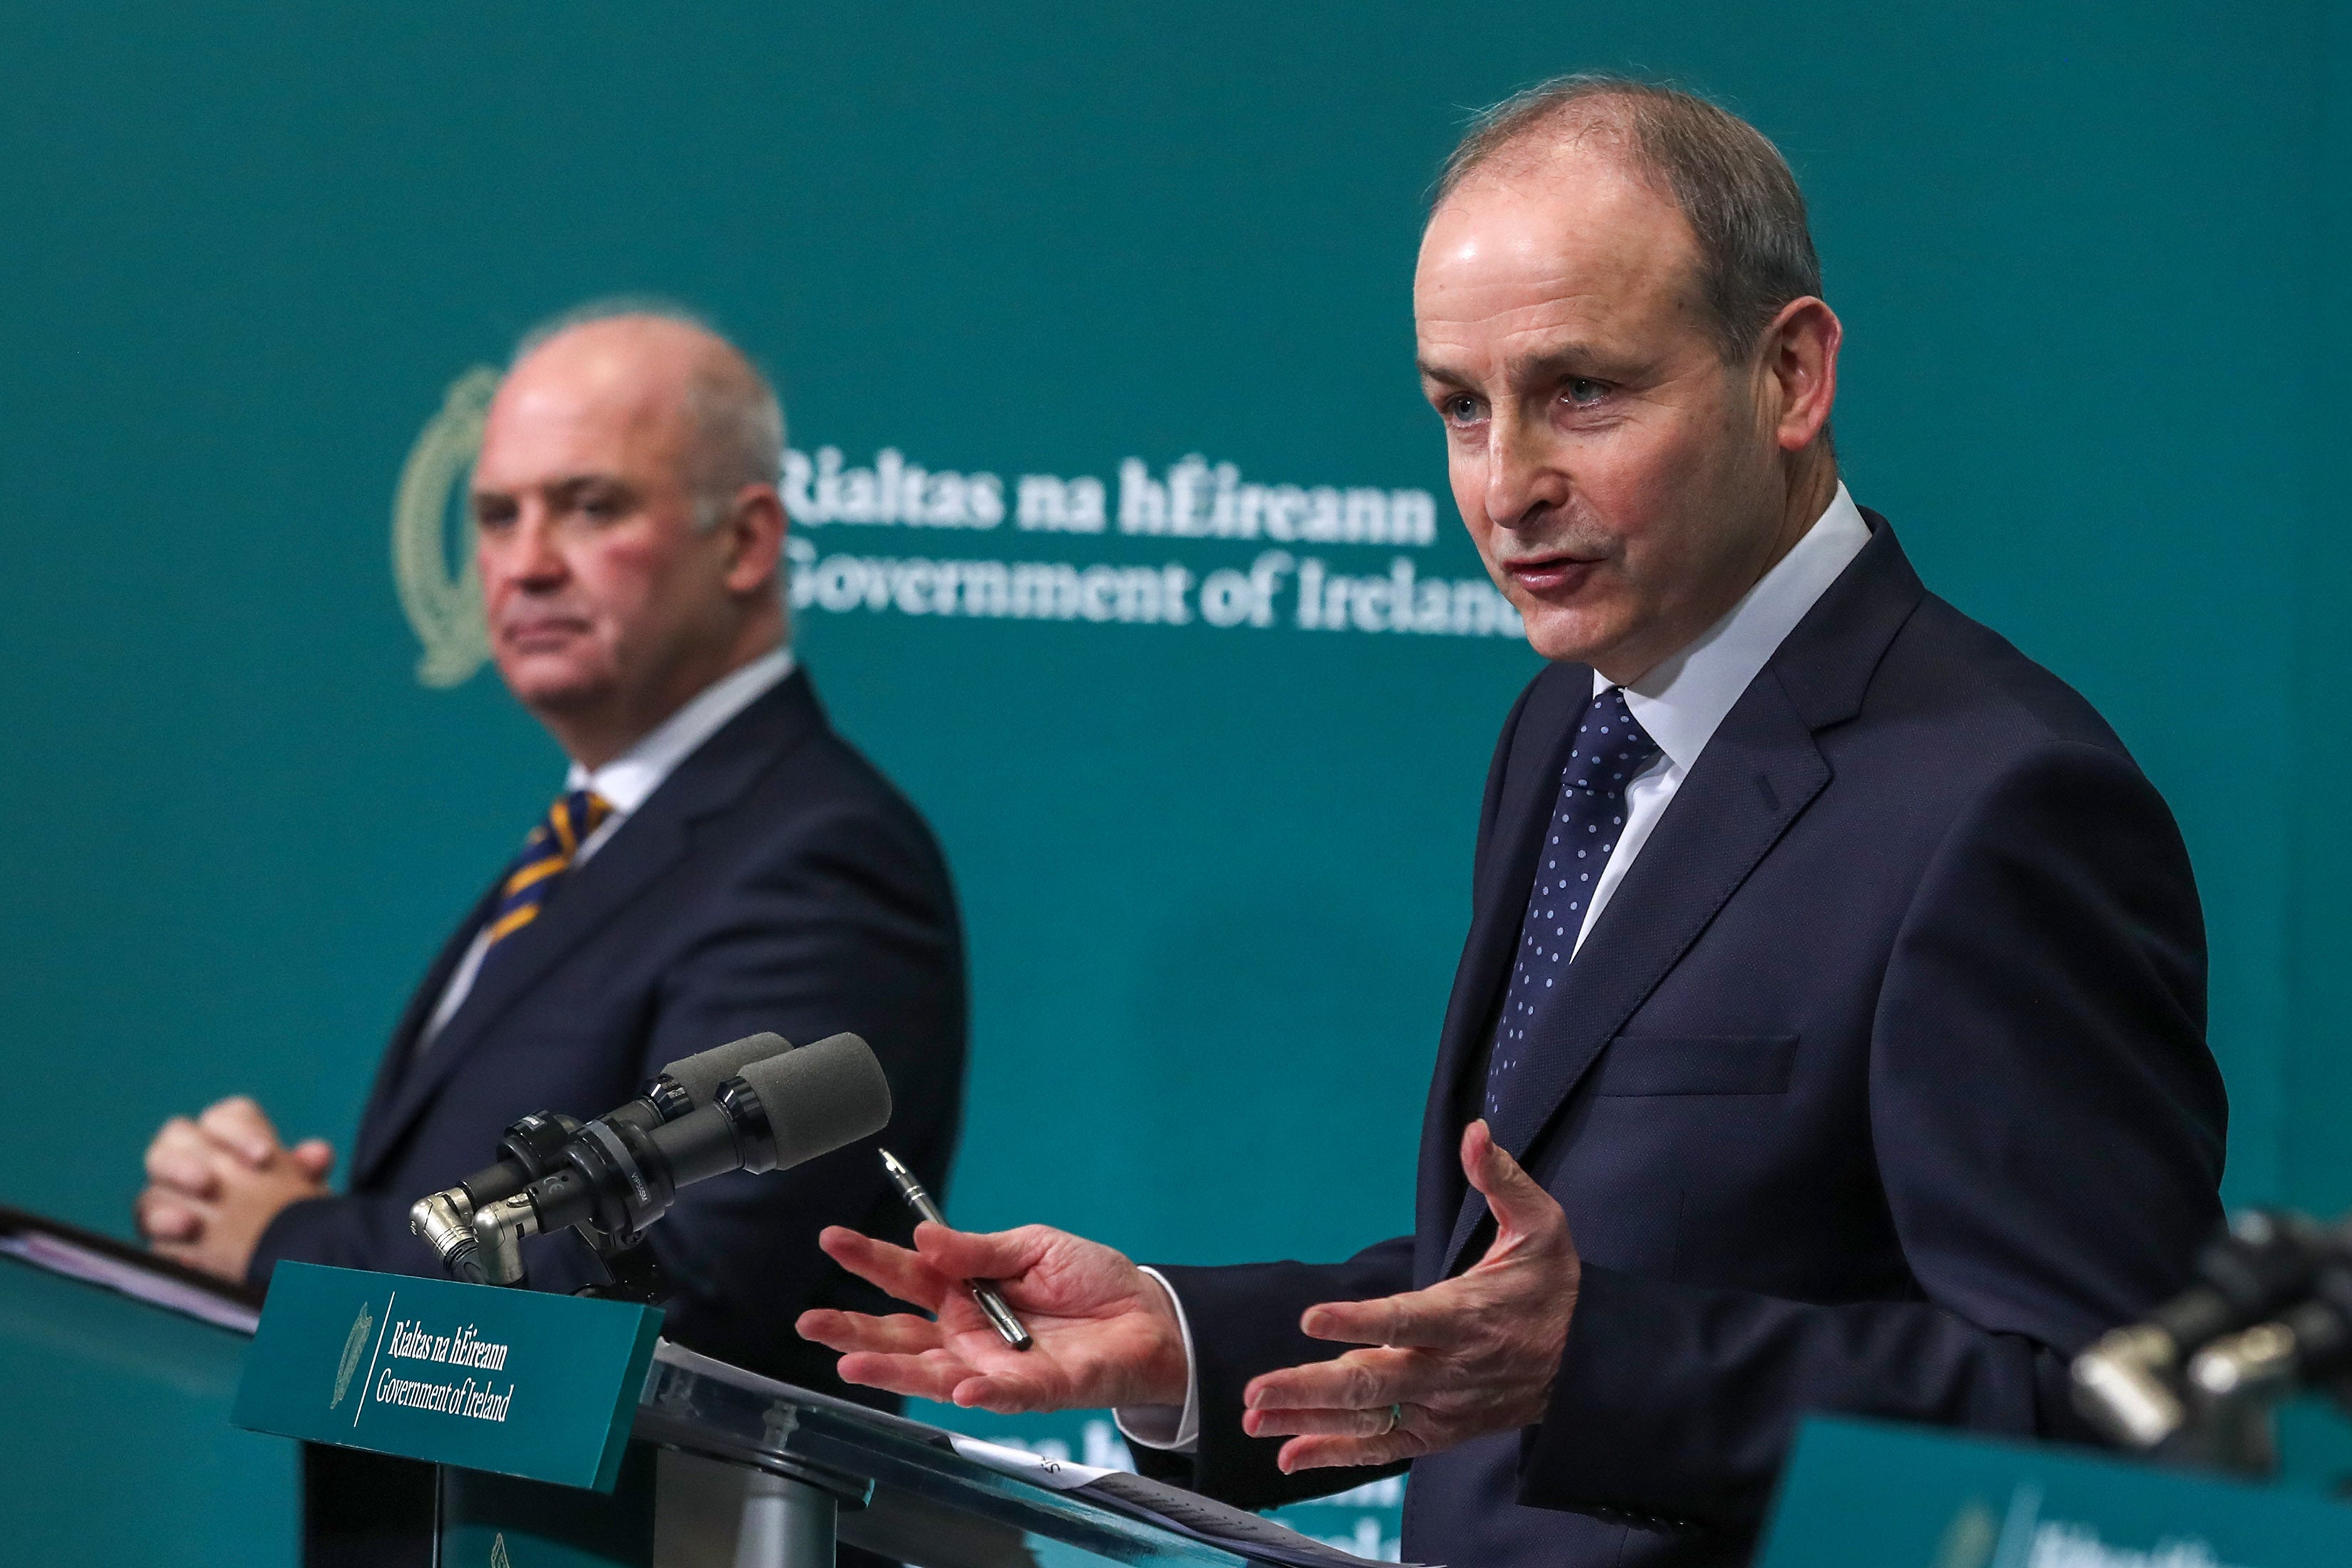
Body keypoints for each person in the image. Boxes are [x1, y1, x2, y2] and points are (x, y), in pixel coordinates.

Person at [793, 77, 2228, 1567]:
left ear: (1791, 375)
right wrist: (1180, 1338)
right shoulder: (1571, 722)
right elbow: (1525, 1293)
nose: (1505, 486)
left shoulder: (1998, 801)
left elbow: (2117, 1425)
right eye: (1460, 408)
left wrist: (1596, 1364)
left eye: (1581, 393)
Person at [134, 304, 968, 1390]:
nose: (524, 565)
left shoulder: (822, 854)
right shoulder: (595, 836)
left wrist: (285, 1238)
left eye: (589, 506)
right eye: (493, 516)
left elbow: (687, 1295)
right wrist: (274, 1211)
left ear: (748, 540)